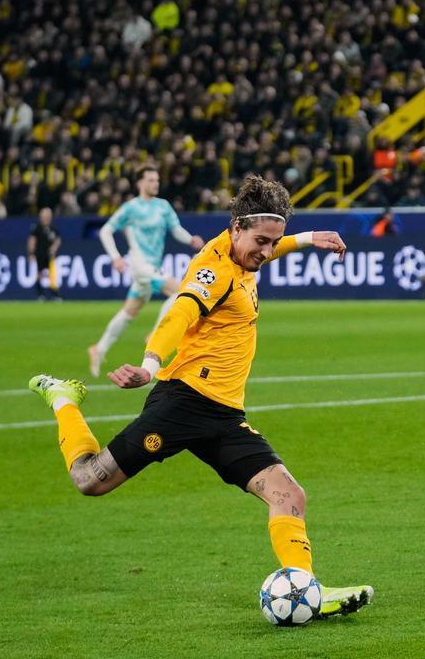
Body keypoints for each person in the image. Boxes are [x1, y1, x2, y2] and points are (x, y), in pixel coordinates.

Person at [29, 176, 374, 618]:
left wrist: (306, 239)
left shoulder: (247, 251)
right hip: (183, 402)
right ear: (235, 228)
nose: (267, 252)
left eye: (273, 241)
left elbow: (272, 242)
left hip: (225, 415)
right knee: (90, 480)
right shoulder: (213, 271)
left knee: (289, 495)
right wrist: (150, 364)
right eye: (261, 242)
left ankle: (309, 589)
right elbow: (181, 311)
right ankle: (63, 399)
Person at [87, 167, 204, 376]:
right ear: (140, 183)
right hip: (140, 266)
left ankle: (99, 349)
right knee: (181, 292)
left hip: (153, 266)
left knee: (129, 312)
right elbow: (106, 231)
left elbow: (175, 229)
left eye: (157, 180)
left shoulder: (163, 206)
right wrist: (115, 257)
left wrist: (190, 239)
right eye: (151, 180)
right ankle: (156, 335)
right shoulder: (131, 208)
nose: (155, 184)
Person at [28, 207, 62, 301]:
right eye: (44, 216)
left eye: (48, 216)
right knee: (39, 274)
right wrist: (31, 253)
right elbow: (32, 241)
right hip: (40, 254)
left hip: (50, 256)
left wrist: (54, 248)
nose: (46, 218)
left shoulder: (53, 228)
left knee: (52, 275)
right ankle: (40, 294)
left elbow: (58, 240)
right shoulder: (37, 228)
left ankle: (55, 294)